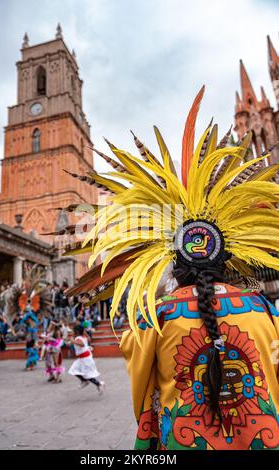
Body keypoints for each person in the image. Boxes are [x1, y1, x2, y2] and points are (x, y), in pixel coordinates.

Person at [65, 87, 279, 450]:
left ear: (174, 263)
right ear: (229, 259)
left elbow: (142, 387)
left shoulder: (157, 319)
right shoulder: (265, 312)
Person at [68, 325, 105, 394]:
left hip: (85, 359)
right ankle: (84, 381)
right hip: (82, 359)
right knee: (73, 370)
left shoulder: (78, 338)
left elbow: (82, 344)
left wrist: (73, 341)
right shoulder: (82, 337)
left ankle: (99, 384)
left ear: (76, 332)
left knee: (87, 374)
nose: (72, 332)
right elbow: (89, 339)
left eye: (73, 330)